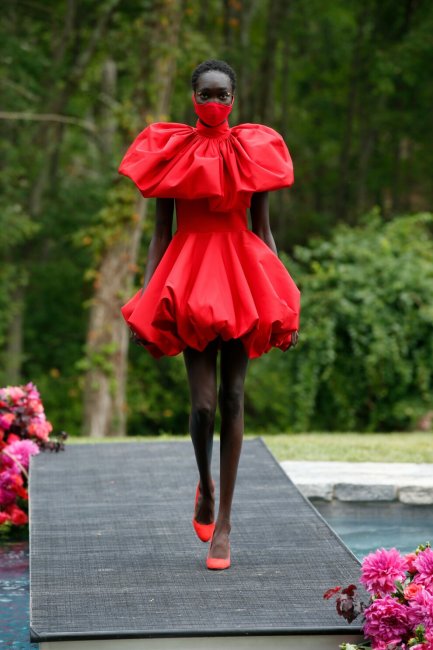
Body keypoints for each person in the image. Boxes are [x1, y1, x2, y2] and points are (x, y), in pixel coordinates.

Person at [118, 59, 300, 571]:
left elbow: (263, 230)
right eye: (206, 94)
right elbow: (161, 233)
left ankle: (225, 525)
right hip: (190, 276)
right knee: (202, 406)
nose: (215, 102)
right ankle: (205, 485)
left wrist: (283, 300)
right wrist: (147, 298)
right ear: (193, 97)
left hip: (242, 277)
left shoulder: (252, 151)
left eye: (223, 95)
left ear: (233, 99)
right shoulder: (173, 153)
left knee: (233, 396)